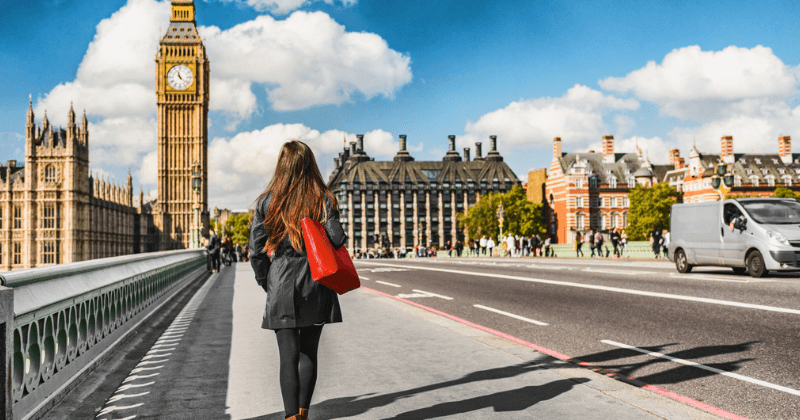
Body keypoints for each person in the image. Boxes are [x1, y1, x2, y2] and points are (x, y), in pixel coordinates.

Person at [248, 140, 347, 420]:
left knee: (287, 357)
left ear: (282, 166)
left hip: (280, 277)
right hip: (316, 279)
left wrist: (266, 280)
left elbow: (255, 250)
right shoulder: (323, 199)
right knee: (308, 354)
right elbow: (337, 239)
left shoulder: (268, 201)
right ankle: (303, 414)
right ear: (310, 165)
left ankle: (290, 417)